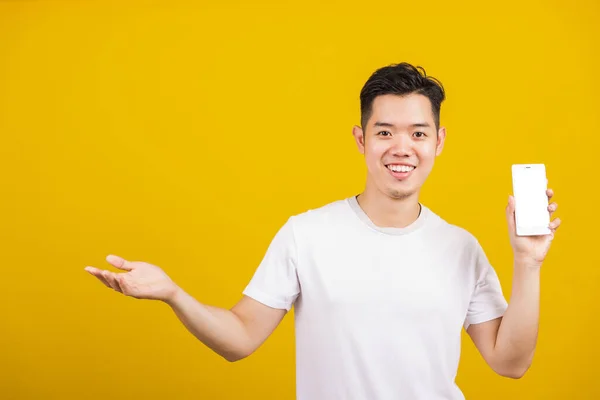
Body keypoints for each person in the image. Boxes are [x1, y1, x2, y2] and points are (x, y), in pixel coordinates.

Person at [85, 63, 561, 400]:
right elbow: (240, 339)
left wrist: (528, 262)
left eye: (418, 133)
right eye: (384, 131)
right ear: (361, 139)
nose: (402, 147)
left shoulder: (462, 248)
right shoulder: (306, 234)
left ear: (438, 141)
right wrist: (174, 294)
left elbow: (510, 363)